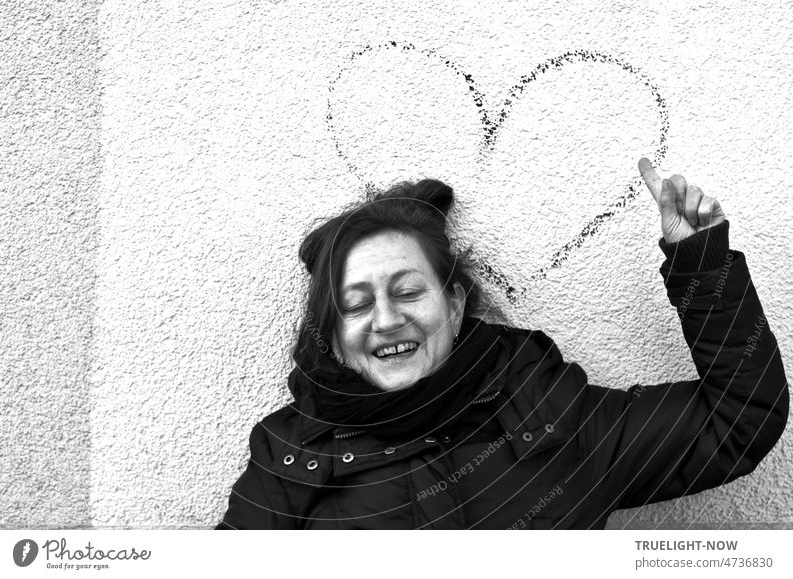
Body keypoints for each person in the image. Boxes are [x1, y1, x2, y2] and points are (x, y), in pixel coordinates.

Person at [216, 158, 789, 529]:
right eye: (357, 304)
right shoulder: (289, 461)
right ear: (334, 336)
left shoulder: (550, 416)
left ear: (456, 305)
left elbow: (736, 421)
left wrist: (702, 264)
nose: (386, 320)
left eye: (408, 292)